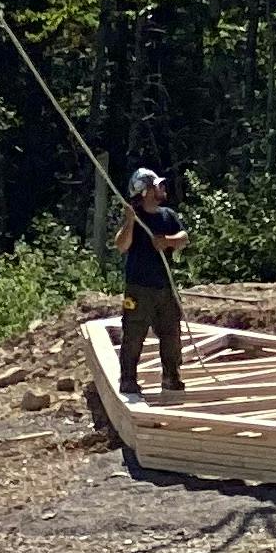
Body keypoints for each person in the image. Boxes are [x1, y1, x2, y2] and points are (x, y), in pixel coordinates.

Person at [114, 166, 190, 397]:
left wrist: (167, 241)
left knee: (171, 333)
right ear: (146, 191)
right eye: (158, 185)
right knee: (134, 334)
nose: (163, 188)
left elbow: (184, 238)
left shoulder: (168, 215)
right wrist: (129, 222)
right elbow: (121, 245)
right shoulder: (135, 218)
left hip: (164, 287)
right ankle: (128, 379)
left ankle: (171, 376)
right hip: (138, 288)